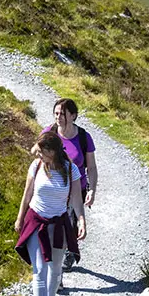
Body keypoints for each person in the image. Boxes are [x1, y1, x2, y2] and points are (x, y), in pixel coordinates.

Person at [14, 129, 86, 296]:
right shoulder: (36, 166)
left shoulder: (71, 169)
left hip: (59, 223)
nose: (38, 155)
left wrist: (81, 221)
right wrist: (20, 218)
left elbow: (76, 200)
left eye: (41, 151)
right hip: (36, 221)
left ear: (53, 152)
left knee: (55, 269)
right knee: (39, 269)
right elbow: (27, 195)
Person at [45, 98, 97, 270]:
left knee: (71, 224)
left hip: (77, 189)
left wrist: (92, 190)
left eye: (63, 114)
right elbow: (38, 162)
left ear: (73, 116)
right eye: (56, 113)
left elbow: (92, 167)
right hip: (55, 192)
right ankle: (59, 265)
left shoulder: (83, 137)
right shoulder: (48, 134)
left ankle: (69, 249)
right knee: (57, 229)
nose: (58, 117)